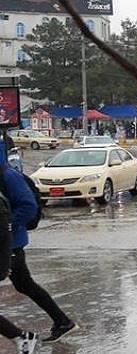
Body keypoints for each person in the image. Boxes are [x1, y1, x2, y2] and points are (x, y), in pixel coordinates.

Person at [0, 142, 78, 343]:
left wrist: (7, 225)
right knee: (24, 284)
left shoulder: (8, 176)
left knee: (25, 284)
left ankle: (22, 338)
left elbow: (28, 206)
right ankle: (62, 321)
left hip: (10, 244)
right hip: (8, 243)